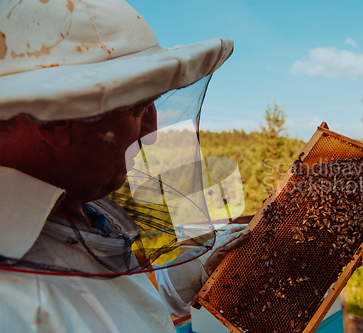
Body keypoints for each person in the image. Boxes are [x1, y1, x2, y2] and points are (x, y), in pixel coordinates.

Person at [0, 0, 250, 332]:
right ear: (57, 118)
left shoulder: (72, 208)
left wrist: (173, 287)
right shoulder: (12, 309)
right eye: (137, 109)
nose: (153, 130)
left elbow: (101, 309)